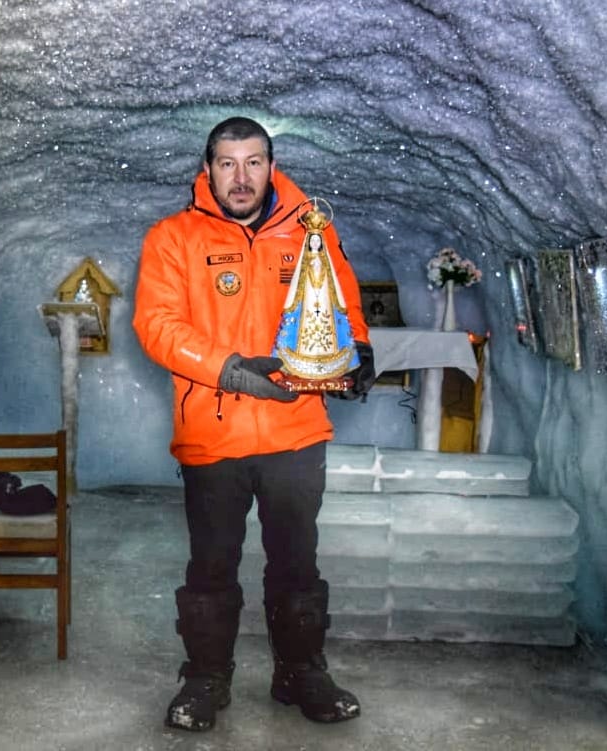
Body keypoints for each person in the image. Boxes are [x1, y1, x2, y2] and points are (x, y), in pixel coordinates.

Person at [132, 116, 376, 732]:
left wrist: (357, 354)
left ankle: (301, 672)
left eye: (253, 162)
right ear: (207, 167)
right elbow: (156, 327)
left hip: (296, 434)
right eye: (227, 163)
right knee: (211, 566)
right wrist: (233, 371)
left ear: (272, 164)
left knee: (297, 563)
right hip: (213, 437)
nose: (241, 177)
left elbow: (340, 303)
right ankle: (206, 679)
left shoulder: (310, 230)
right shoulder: (173, 238)